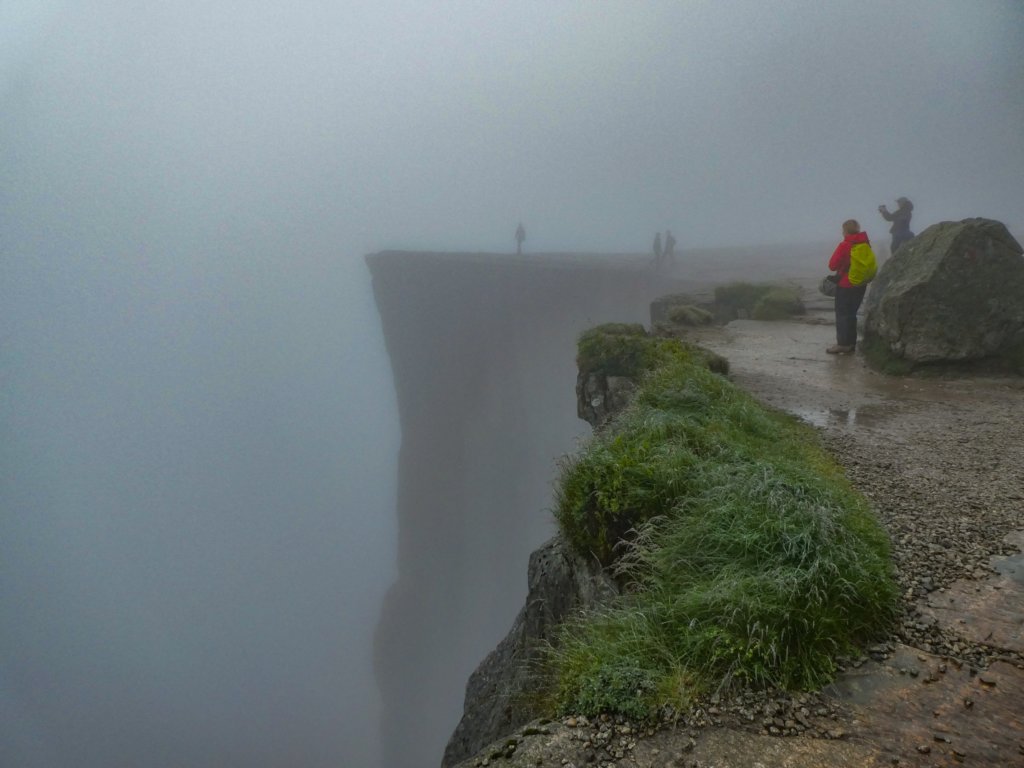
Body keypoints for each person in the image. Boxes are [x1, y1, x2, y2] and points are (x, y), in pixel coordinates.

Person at [827, 219, 871, 354]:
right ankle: (851, 342)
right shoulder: (865, 244)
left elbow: (832, 265)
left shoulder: (845, 245)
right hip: (860, 284)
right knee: (852, 314)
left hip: (846, 284)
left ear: (845, 231)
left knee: (842, 314)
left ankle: (843, 344)